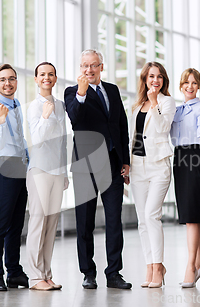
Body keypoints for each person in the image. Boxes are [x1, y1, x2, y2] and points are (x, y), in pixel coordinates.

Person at [64, 49, 131, 289]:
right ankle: (88, 273)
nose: (88, 70)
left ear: (101, 67)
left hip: (113, 164)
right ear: (80, 68)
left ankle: (114, 273)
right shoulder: (72, 92)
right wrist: (81, 93)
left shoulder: (112, 90)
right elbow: (75, 118)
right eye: (84, 66)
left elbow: (121, 124)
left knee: (114, 220)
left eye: (93, 65)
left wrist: (125, 159)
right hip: (85, 165)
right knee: (85, 222)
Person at [129, 61, 176, 288]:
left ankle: (158, 266)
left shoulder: (167, 102)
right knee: (141, 220)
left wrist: (156, 103)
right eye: (150, 77)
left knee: (151, 216)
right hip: (137, 166)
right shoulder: (137, 105)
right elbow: (133, 138)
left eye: (158, 76)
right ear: (145, 80)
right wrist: (127, 165)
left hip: (158, 165)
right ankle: (149, 266)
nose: (155, 80)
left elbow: (163, 129)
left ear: (163, 80)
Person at [0, 64, 29, 291]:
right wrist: (1, 121)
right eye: (2, 80)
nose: (8, 83)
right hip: (4, 166)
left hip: (19, 166)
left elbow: (20, 138)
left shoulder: (16, 104)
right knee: (1, 223)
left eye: (11, 79)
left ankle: (14, 272)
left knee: (16, 223)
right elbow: (0, 143)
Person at [26, 62, 68, 290]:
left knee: (51, 225)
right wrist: (44, 117)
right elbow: (38, 140)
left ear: (55, 78)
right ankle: (34, 277)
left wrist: (64, 172)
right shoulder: (34, 106)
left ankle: (46, 273)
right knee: (38, 223)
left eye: (50, 74)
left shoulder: (60, 105)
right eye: (42, 74)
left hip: (56, 171)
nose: (46, 78)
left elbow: (62, 141)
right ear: (36, 79)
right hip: (39, 171)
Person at [169, 68, 200, 288]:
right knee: (190, 215)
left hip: (195, 156)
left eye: (194, 83)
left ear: (199, 86)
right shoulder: (175, 109)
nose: (190, 86)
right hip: (179, 159)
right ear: (180, 85)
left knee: (193, 217)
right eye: (186, 82)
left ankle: (191, 267)